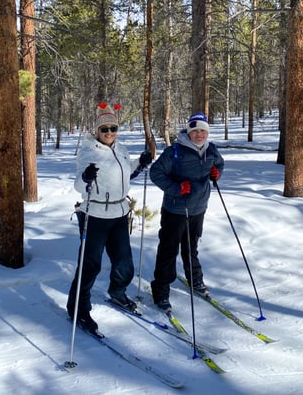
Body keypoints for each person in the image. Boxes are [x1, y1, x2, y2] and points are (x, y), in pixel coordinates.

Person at [67, 103, 152, 334]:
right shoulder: (88, 152)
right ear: (97, 131)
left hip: (119, 212)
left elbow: (125, 173)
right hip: (94, 214)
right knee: (90, 266)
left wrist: (140, 163)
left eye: (113, 128)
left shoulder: (120, 148)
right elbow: (78, 185)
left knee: (124, 262)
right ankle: (78, 309)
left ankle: (117, 292)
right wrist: (86, 177)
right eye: (104, 129)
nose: (109, 133)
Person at [149, 111, 224, 311]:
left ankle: (195, 280)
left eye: (203, 130)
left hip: (199, 208)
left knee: (191, 247)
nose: (199, 134)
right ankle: (161, 290)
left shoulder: (211, 150)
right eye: (195, 130)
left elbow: (218, 164)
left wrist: (216, 173)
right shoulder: (175, 152)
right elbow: (155, 173)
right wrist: (176, 188)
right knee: (169, 249)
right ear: (189, 131)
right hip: (175, 209)